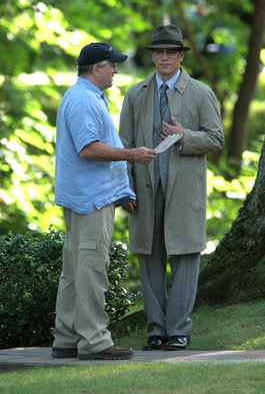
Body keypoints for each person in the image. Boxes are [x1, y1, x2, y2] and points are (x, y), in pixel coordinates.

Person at [119, 25, 224, 351]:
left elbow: (216, 138)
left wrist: (185, 137)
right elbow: (124, 146)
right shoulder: (136, 93)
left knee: (185, 256)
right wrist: (125, 189)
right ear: (152, 55)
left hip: (184, 191)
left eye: (170, 52)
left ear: (181, 55)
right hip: (144, 189)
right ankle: (156, 330)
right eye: (158, 52)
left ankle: (178, 330)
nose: (164, 57)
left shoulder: (200, 92)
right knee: (148, 256)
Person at [51, 42, 156, 360]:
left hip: (83, 197)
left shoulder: (82, 96)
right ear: (96, 68)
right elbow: (89, 149)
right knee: (92, 269)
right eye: (112, 64)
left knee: (74, 271)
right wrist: (132, 154)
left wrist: (121, 191)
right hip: (91, 202)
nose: (116, 70)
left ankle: (67, 338)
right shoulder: (84, 100)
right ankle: (95, 341)